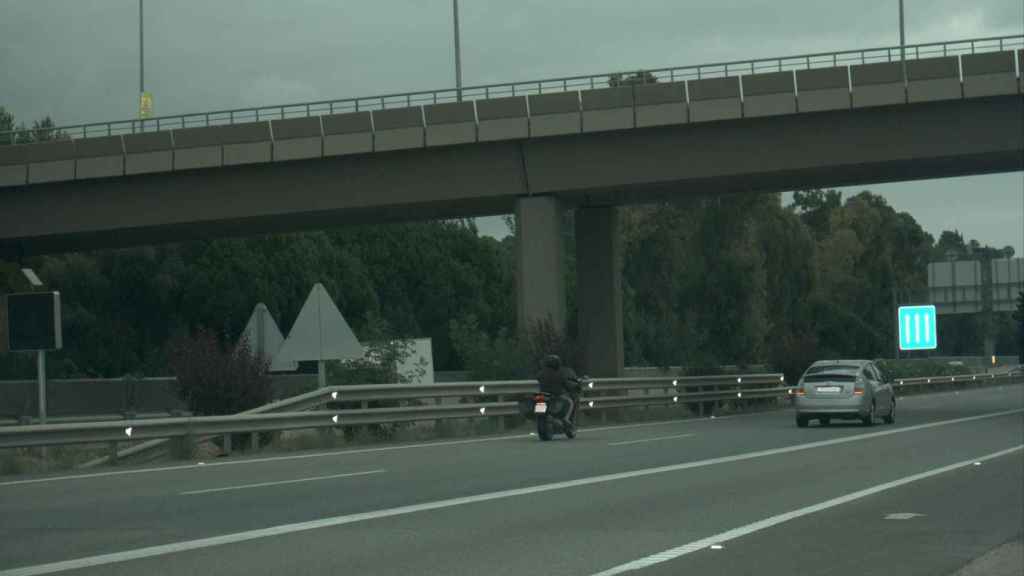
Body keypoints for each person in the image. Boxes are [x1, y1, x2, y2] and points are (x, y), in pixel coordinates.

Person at [536, 354, 581, 430]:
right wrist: (574, 387)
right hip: (556, 395)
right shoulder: (560, 374)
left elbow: (538, 380)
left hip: (543, 395)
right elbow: (567, 384)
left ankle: (544, 420)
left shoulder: (540, 373)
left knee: (539, 404)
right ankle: (566, 419)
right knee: (570, 402)